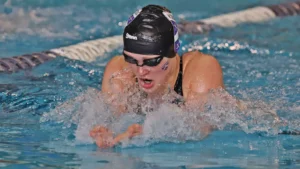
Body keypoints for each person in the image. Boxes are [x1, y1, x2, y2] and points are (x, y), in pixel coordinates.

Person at [89, 4, 226, 148]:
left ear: (172, 52)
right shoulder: (120, 71)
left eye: (151, 61)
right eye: (132, 60)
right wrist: (108, 133)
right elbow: (111, 116)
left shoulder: (200, 68)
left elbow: (201, 128)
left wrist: (149, 132)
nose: (141, 71)